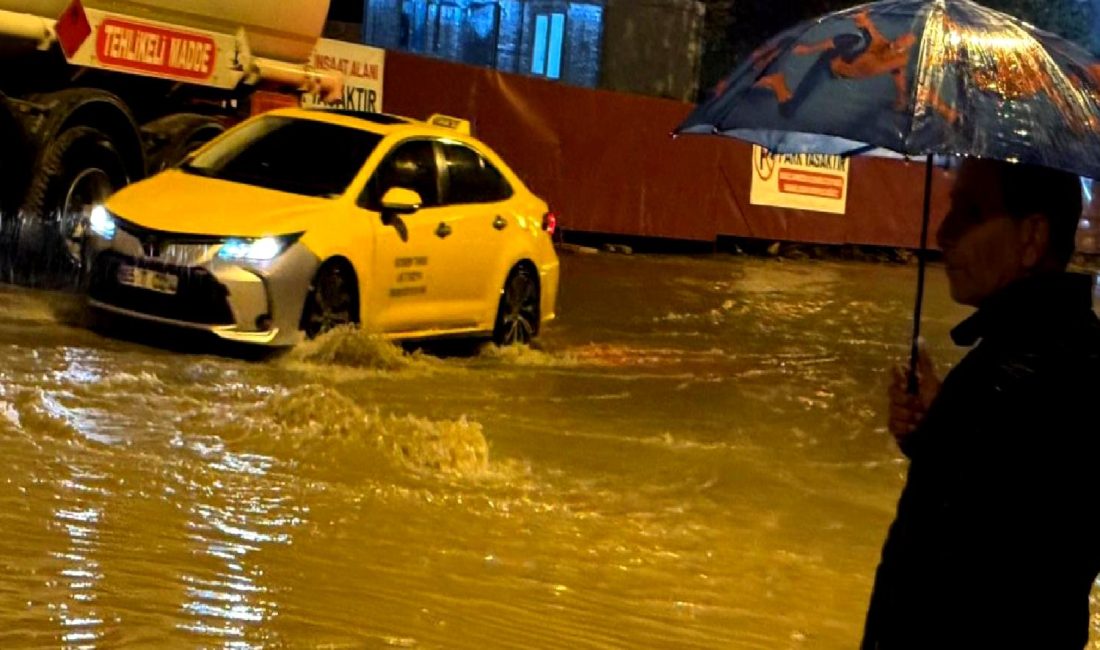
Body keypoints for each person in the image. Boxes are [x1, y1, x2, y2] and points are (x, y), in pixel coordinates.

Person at [861, 158, 1100, 649]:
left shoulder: (1021, 379)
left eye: (970, 212)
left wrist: (947, 429)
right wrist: (934, 433)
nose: (944, 233)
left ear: (1031, 238)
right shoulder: (1050, 355)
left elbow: (964, 582)